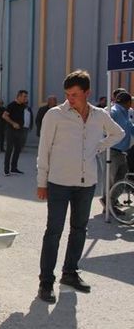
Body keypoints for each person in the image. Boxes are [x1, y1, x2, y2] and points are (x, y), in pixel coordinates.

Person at [36, 70, 123, 303]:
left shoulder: (99, 115)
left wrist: (98, 146)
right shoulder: (55, 115)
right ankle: (46, 282)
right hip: (58, 183)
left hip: (87, 184)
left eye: (74, 94)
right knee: (53, 231)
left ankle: (70, 273)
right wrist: (41, 182)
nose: (70, 99)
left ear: (87, 93)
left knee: (79, 230)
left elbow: (119, 133)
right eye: (67, 94)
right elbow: (44, 150)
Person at [101, 91, 134, 214]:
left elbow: (130, 128)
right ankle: (109, 205)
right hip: (111, 151)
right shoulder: (113, 111)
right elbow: (103, 127)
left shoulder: (125, 113)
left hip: (120, 151)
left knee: (122, 177)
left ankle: (109, 201)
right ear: (128, 102)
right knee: (111, 179)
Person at [2, 90, 29, 176]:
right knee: (9, 150)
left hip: (20, 131)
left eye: (26, 97)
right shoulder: (11, 105)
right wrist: (13, 123)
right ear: (19, 96)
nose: (26, 98)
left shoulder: (23, 106)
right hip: (11, 131)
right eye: (24, 96)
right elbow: (4, 116)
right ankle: (6, 170)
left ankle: (14, 168)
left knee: (18, 149)